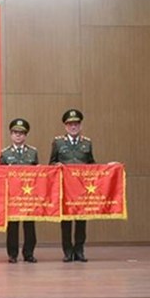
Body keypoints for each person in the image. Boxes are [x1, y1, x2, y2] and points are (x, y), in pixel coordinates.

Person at [50, 109, 95, 262]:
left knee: (81, 221)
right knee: (66, 222)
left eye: (76, 124)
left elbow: (92, 164)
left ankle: (80, 250)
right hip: (65, 189)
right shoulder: (58, 142)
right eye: (70, 124)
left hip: (82, 190)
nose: (73, 127)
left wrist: (109, 168)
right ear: (65, 126)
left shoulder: (87, 143)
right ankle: (68, 251)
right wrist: (57, 165)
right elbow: (51, 164)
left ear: (80, 125)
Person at [0, 118, 39, 263]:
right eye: (15, 132)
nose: (18, 135)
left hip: (28, 196)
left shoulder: (33, 153)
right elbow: (0, 176)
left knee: (29, 226)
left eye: (21, 133)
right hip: (12, 196)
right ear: (11, 134)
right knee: (12, 227)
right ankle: (12, 254)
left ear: (25, 135)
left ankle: (29, 253)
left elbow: (38, 175)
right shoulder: (5, 153)